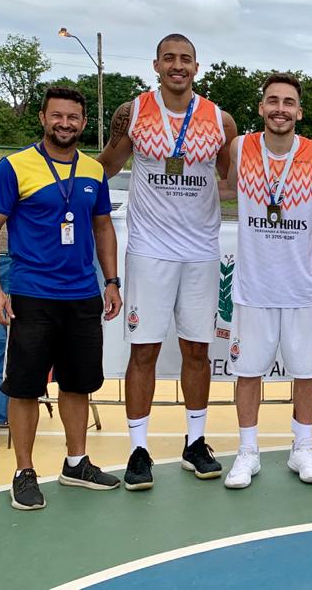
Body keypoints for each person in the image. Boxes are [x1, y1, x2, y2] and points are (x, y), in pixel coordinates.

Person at [98, 34, 238, 491]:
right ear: (156, 65)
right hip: (149, 249)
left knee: (198, 350)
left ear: (197, 66)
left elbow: (231, 175)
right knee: (145, 351)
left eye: (185, 59)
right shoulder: (132, 112)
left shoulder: (220, 119)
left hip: (200, 250)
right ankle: (139, 450)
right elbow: (107, 164)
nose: (177, 66)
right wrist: (59, 176)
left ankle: (195, 443)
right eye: (169, 59)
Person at [0, 86, 123, 511]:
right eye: (57, 116)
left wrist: (111, 281)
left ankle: (76, 464)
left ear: (83, 122)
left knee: (78, 384)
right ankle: (24, 471)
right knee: (25, 388)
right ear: (43, 117)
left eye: (73, 117)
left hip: (82, 295)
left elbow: (102, 228)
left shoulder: (94, 171)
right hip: (31, 295)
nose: (65, 124)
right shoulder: (15, 166)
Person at [221, 72, 312, 489]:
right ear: (262, 107)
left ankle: (303, 447)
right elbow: (227, 188)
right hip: (253, 286)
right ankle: (247, 451)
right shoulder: (240, 146)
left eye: (288, 102)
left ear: (299, 111)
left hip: (301, 285)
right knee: (248, 372)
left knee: (306, 372)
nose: (280, 109)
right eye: (273, 101)